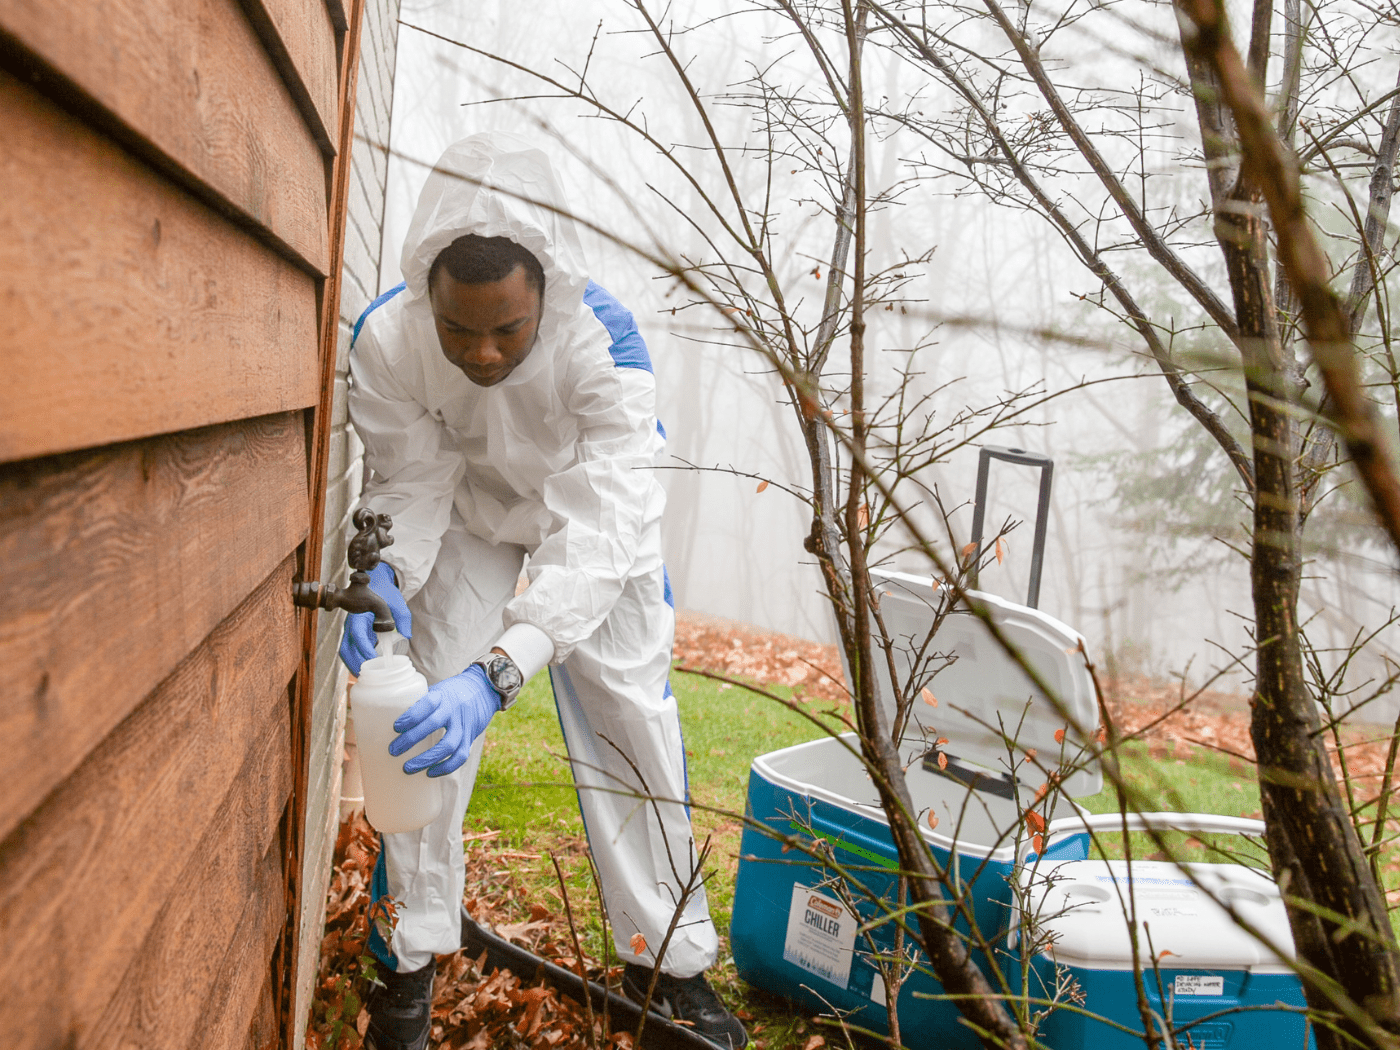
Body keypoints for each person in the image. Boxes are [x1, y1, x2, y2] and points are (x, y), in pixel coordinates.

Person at [339, 132, 748, 1050]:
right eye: (459, 329)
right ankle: (408, 951)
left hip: (595, 529)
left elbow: (602, 529)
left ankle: (666, 963)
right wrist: (385, 582)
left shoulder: (606, 343)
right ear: (426, 294)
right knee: (419, 702)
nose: (481, 354)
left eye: (506, 330)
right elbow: (410, 479)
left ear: (547, 294)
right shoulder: (391, 338)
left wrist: (500, 675)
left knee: (631, 720)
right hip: (474, 518)